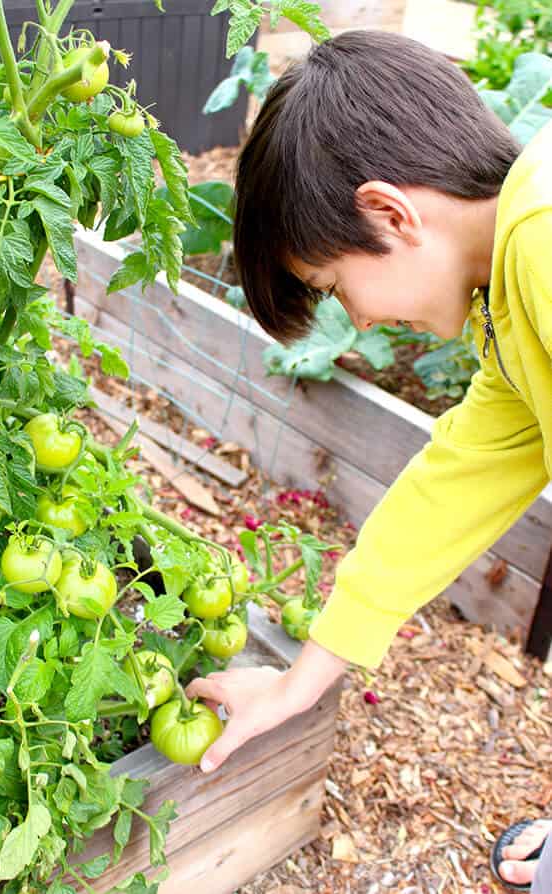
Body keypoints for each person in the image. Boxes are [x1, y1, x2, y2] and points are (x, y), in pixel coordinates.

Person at [185, 30, 552, 892]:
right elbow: (456, 481)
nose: (356, 315)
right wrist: (299, 683)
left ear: (390, 212)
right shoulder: (512, 278)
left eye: (331, 284)